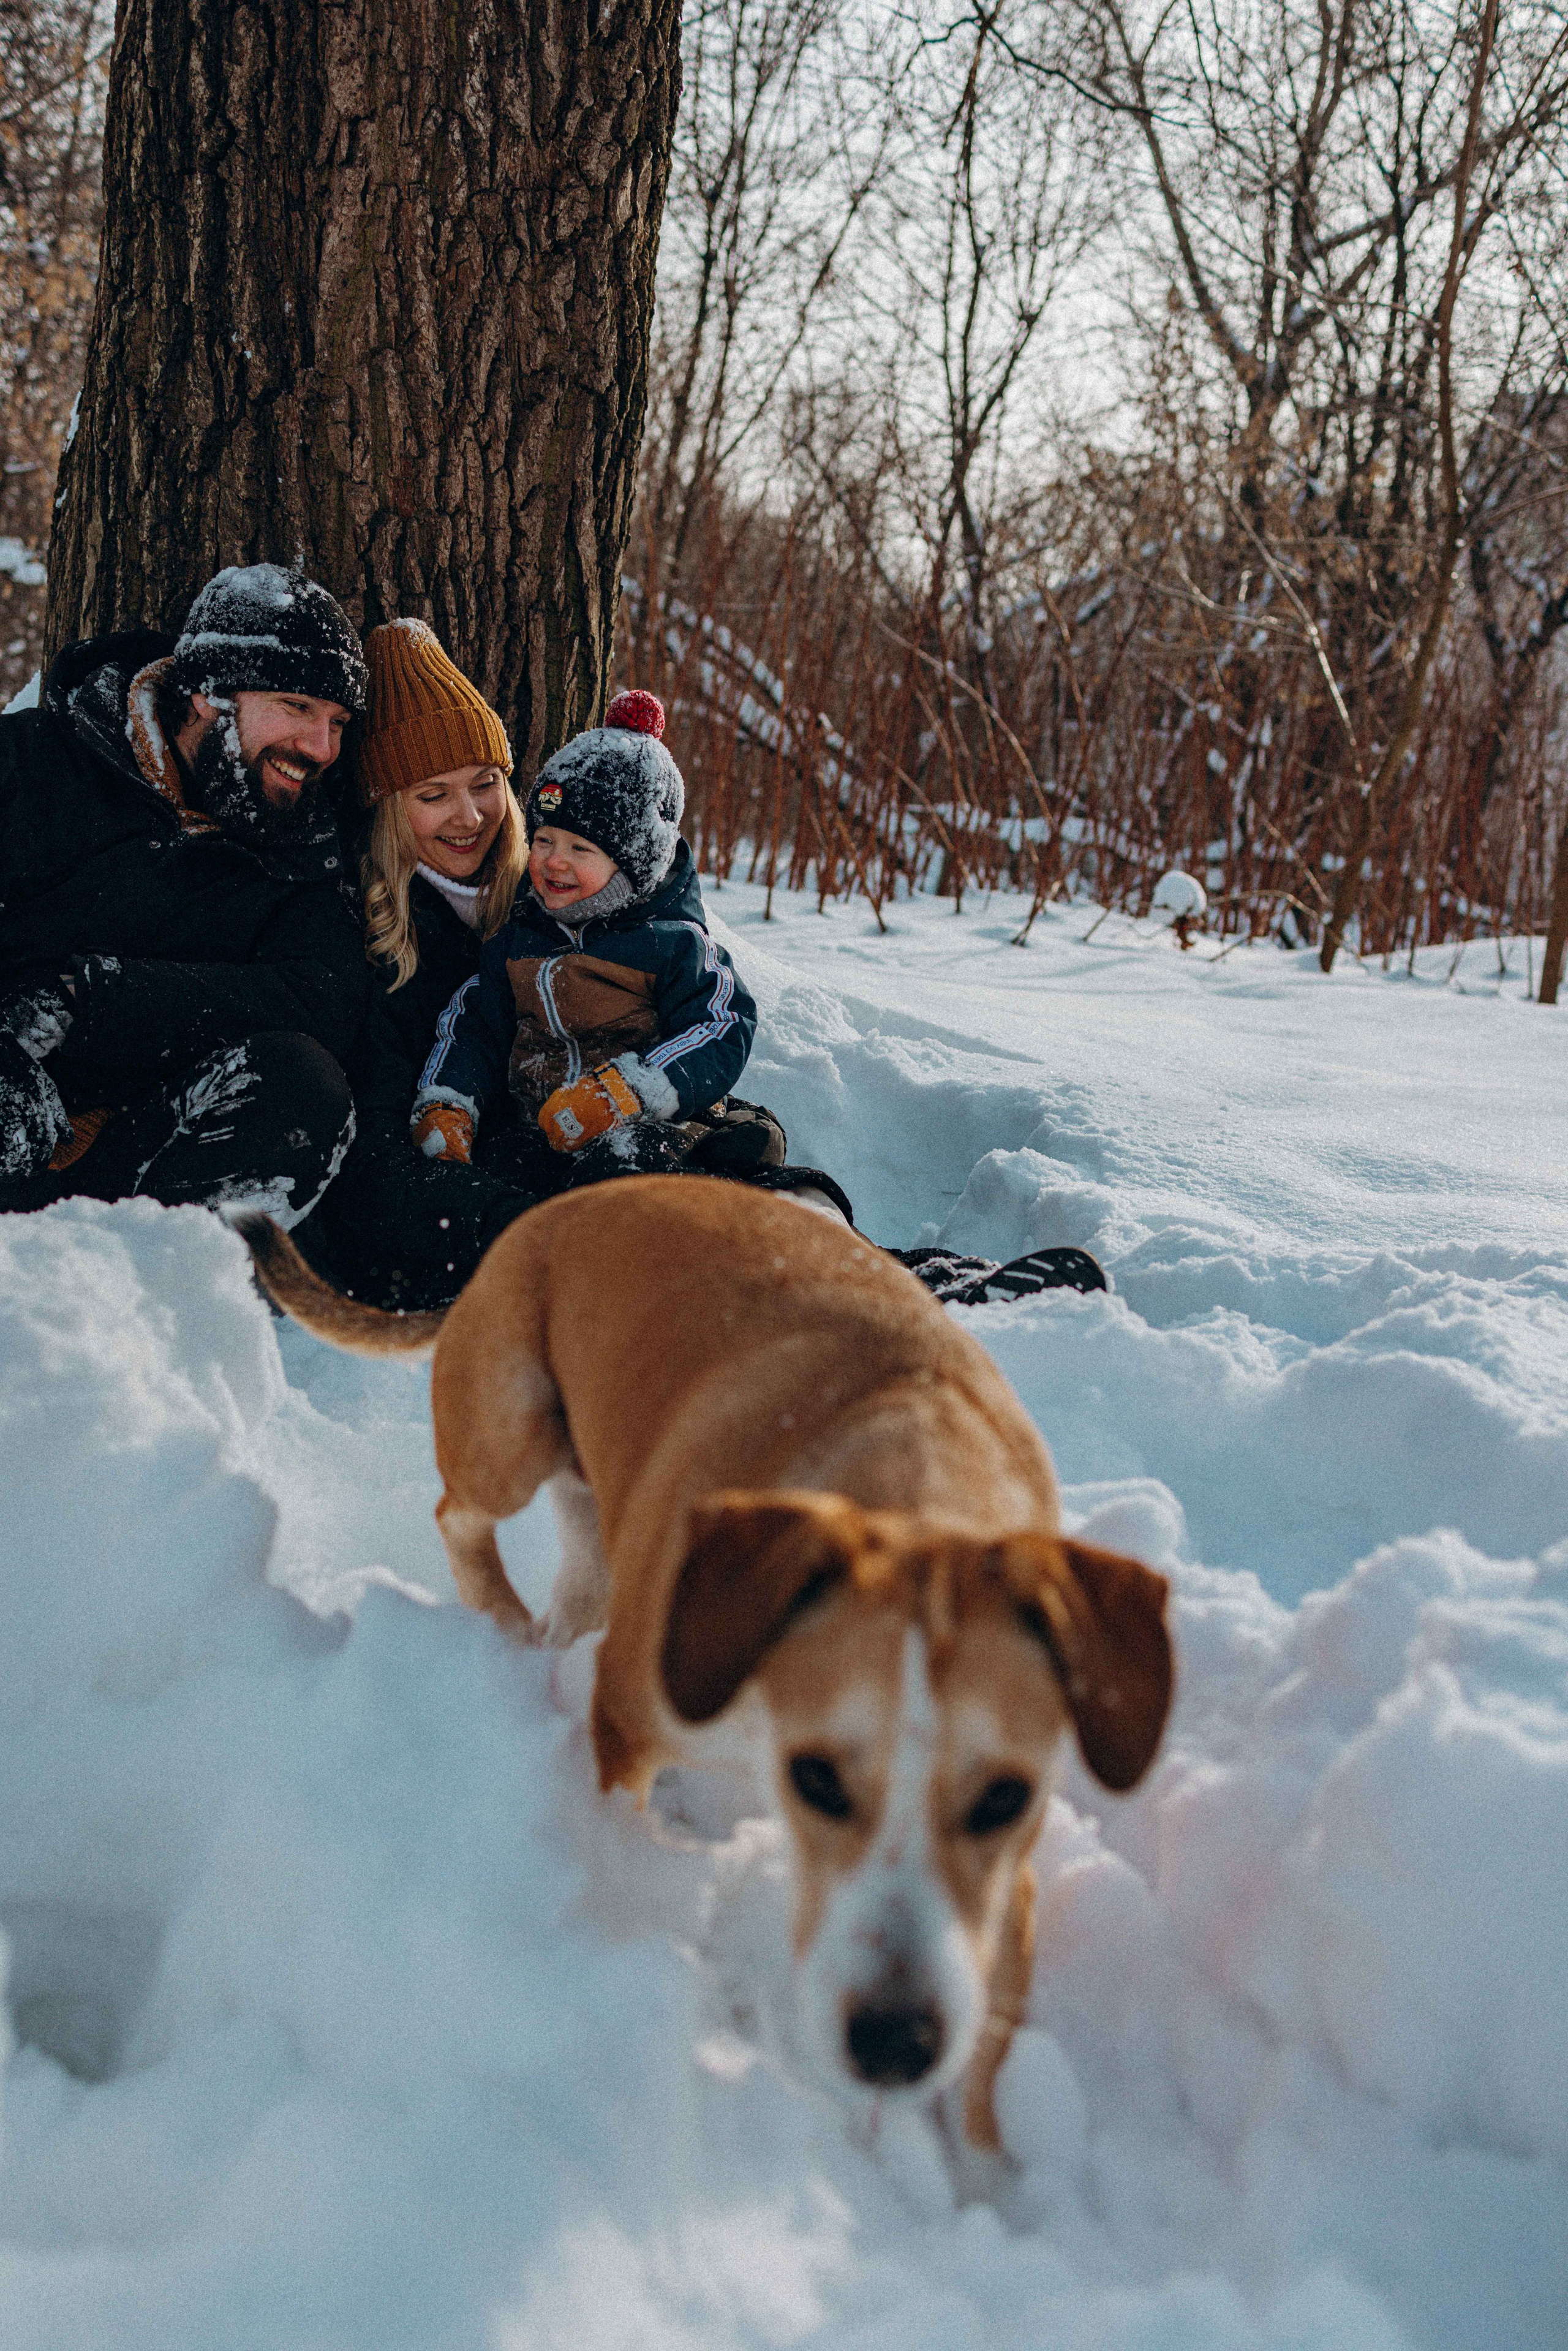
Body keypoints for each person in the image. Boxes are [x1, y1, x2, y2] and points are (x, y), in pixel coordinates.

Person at [0, 564, 368, 1226]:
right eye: (297, 707)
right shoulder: (32, 764)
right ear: (207, 695)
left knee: (300, 1086)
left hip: (135, 1165)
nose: (321, 747)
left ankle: (166, 1297)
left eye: (338, 721)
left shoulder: (300, 844)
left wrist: (96, 997)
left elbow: (323, 998)